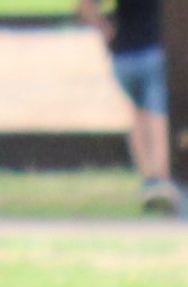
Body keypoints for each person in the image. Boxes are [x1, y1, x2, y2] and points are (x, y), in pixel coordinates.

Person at [77, 0, 182, 216]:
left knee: (137, 114)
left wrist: (104, 28)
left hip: (122, 54)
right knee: (157, 114)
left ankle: (147, 178)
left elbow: (84, 5)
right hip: (152, 48)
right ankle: (160, 177)